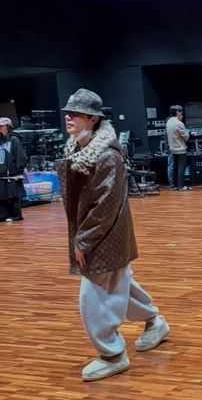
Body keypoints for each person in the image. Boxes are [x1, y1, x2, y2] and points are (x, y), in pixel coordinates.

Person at [56, 89, 171, 382]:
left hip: (104, 235)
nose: (68, 117)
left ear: (93, 119)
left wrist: (84, 240)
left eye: (76, 113)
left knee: (94, 295)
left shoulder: (106, 154)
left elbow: (105, 204)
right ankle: (154, 322)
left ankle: (112, 354)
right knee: (120, 283)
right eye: (68, 112)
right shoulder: (78, 148)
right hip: (102, 233)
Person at [0, 117, 27, 222]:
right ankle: (3, 215)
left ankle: (16, 215)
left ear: (7, 126)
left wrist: (19, 170)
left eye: (1, 125)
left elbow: (20, 155)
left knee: (13, 196)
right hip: (2, 173)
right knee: (2, 196)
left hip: (12, 173)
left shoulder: (14, 139)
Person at [166, 104, 191, 191]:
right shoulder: (179, 123)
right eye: (181, 112)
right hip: (180, 149)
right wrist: (190, 134)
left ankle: (176, 185)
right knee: (181, 168)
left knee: (175, 167)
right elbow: (186, 137)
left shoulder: (169, 122)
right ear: (177, 112)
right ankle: (181, 186)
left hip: (172, 148)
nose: (182, 114)